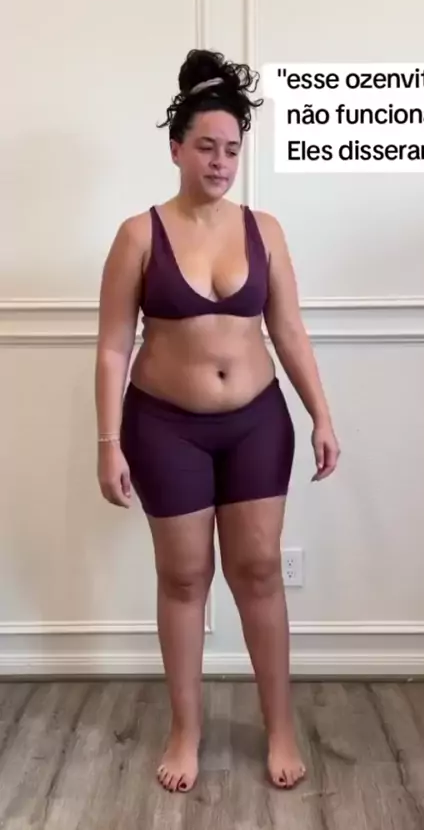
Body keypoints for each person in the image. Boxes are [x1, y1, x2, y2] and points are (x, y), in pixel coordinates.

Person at [94, 48, 340, 794]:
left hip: (257, 422)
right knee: (184, 575)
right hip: (164, 426)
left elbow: (288, 330)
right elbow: (112, 347)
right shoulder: (139, 235)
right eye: (206, 147)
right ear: (176, 148)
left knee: (258, 569)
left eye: (232, 149)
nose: (220, 162)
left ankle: (281, 725)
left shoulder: (264, 229)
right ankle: (186, 730)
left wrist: (322, 414)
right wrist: (108, 442)